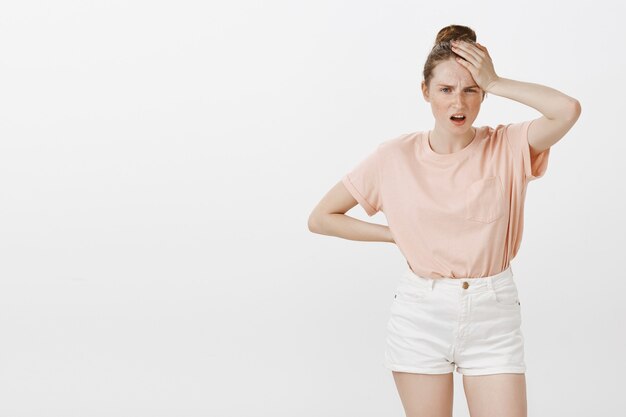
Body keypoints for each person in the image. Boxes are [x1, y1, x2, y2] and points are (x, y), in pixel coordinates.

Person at [308, 24, 581, 417]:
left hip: (493, 313)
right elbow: (322, 217)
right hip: (421, 312)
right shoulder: (394, 157)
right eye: (446, 90)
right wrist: (395, 235)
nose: (460, 102)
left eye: (471, 89)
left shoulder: (507, 145)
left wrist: (497, 79)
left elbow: (567, 109)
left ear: (483, 94)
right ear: (426, 92)